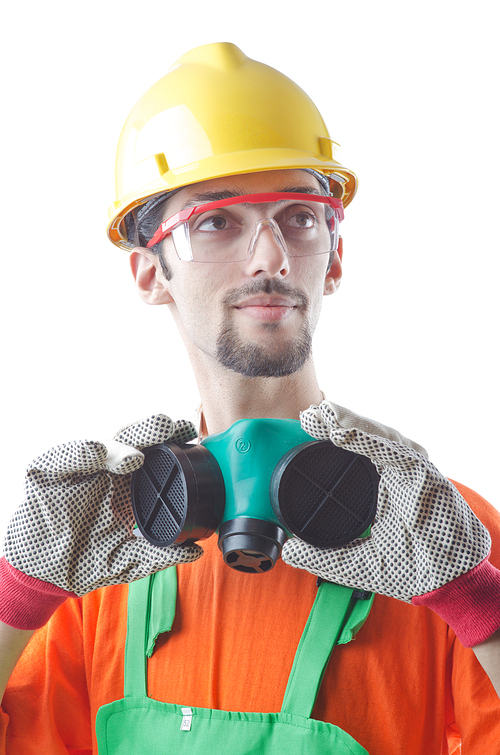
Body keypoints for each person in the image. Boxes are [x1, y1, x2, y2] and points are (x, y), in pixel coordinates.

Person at [0, 42, 499, 754]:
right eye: (217, 221)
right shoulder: (96, 550)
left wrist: (473, 600)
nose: (271, 257)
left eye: (300, 215)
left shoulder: (445, 538)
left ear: (337, 254)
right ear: (148, 273)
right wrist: (19, 593)